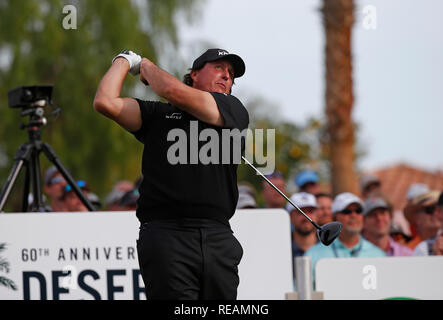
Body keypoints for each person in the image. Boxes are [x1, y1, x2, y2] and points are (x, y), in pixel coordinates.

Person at [93, 48, 248, 300]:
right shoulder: (158, 116)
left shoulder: (233, 110)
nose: (226, 76)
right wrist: (124, 60)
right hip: (166, 235)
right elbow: (105, 102)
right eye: (219, 67)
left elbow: (171, 90)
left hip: (217, 235)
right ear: (194, 74)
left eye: (231, 74)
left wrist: (145, 65)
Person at [305, 192, 386, 284]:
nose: (353, 215)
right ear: (335, 217)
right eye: (347, 211)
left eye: (358, 211)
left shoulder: (378, 255)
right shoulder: (313, 254)